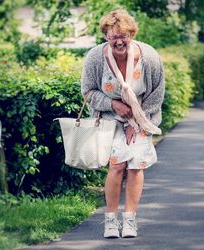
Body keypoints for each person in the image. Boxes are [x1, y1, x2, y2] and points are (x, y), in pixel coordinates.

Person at [81, 8, 165, 238]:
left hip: (142, 119)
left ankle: (129, 220)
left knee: (136, 166)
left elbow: (157, 93)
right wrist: (114, 105)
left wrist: (136, 121)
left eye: (123, 36)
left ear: (132, 34)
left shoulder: (149, 57)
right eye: (113, 37)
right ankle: (110, 220)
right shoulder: (96, 57)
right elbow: (88, 92)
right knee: (117, 166)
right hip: (110, 119)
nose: (118, 41)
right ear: (106, 37)